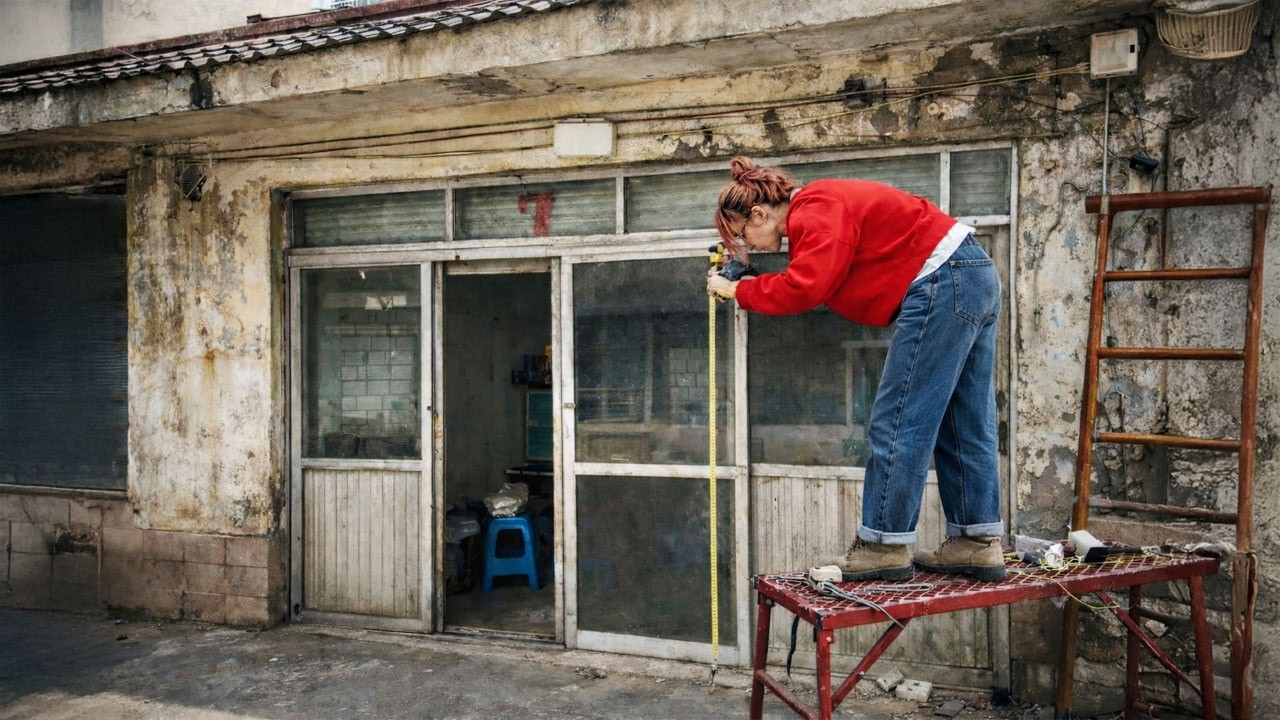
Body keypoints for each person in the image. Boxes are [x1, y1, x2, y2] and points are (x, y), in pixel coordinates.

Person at [706, 156, 1006, 582]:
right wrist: (748, 280)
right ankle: (976, 542)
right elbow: (820, 275)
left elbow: (805, 286)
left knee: (899, 421)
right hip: (972, 276)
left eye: (743, 233)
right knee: (964, 421)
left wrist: (738, 289)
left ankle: (884, 544)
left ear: (759, 212)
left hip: (943, 280)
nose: (747, 244)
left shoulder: (814, 208)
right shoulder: (822, 207)